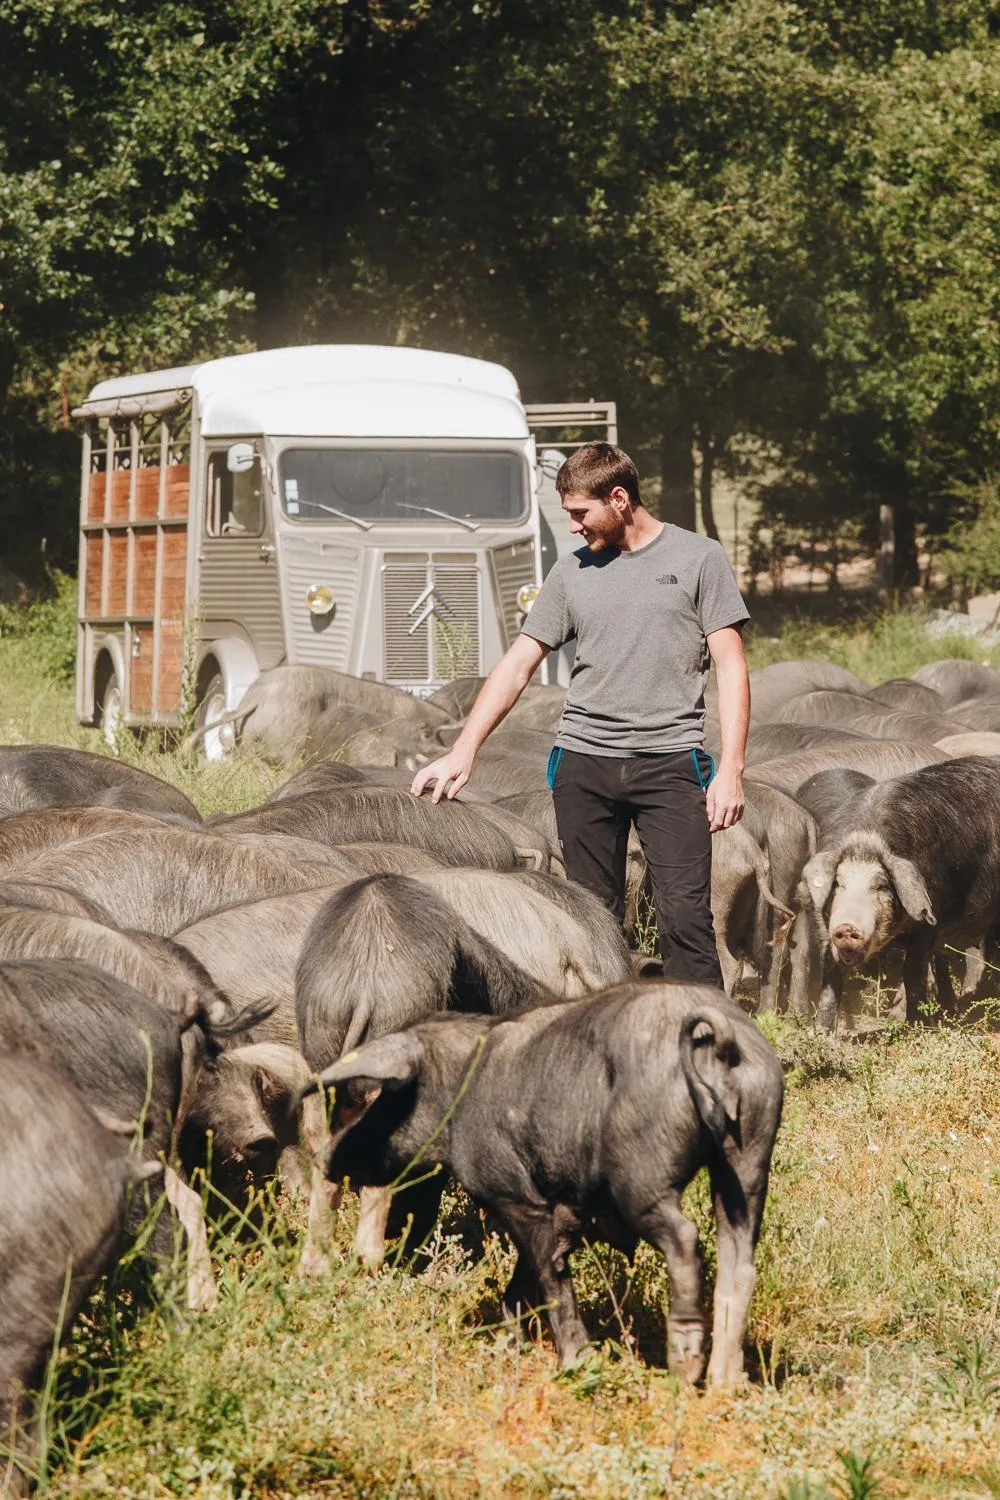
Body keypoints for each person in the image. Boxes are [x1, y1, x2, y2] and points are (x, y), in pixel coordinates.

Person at [411, 441, 750, 984]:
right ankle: (606, 1047)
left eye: (578, 513)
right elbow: (520, 662)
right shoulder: (571, 572)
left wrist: (730, 769)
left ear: (619, 498)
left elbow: (732, 665)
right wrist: (464, 749)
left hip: (669, 764)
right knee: (592, 921)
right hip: (584, 764)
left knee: (685, 920)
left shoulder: (698, 559)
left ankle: (702, 1053)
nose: (572, 527)